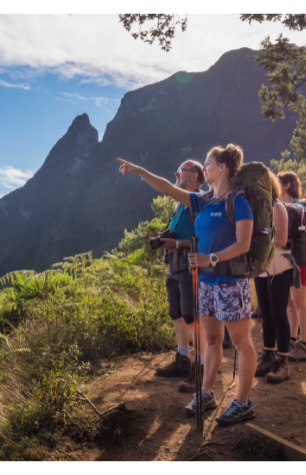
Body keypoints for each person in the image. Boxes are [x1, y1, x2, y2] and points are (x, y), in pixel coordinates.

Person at [117, 144, 259, 426]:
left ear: (223, 167)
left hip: (230, 282)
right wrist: (139, 171)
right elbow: (169, 189)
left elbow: (243, 244)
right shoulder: (203, 201)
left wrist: (211, 257)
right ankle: (206, 393)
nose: (204, 168)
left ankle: (243, 402)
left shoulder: (239, 201)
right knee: (213, 341)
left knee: (242, 343)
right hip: (205, 282)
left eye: (208, 163)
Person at [153, 160, 208, 393]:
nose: (176, 174)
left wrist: (177, 243)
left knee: (192, 316)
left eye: (181, 171)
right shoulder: (179, 203)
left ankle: (201, 367)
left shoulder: (197, 202)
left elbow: (203, 238)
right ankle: (182, 358)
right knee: (176, 314)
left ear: (194, 176)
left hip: (190, 266)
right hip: (174, 265)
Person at [253, 171, 295, 383]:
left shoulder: (277, 206)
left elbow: (282, 240)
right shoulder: (257, 209)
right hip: (262, 267)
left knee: (279, 313)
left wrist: (254, 242)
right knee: (266, 313)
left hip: (279, 266)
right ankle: (268, 355)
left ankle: (283, 361)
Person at [276, 172, 306, 362]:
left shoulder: (294, 207)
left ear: (288, 185)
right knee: (291, 303)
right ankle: (293, 339)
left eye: (279, 182)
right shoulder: (289, 207)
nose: (276, 185)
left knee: (300, 302)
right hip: (294, 261)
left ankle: (304, 346)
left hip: (301, 262)